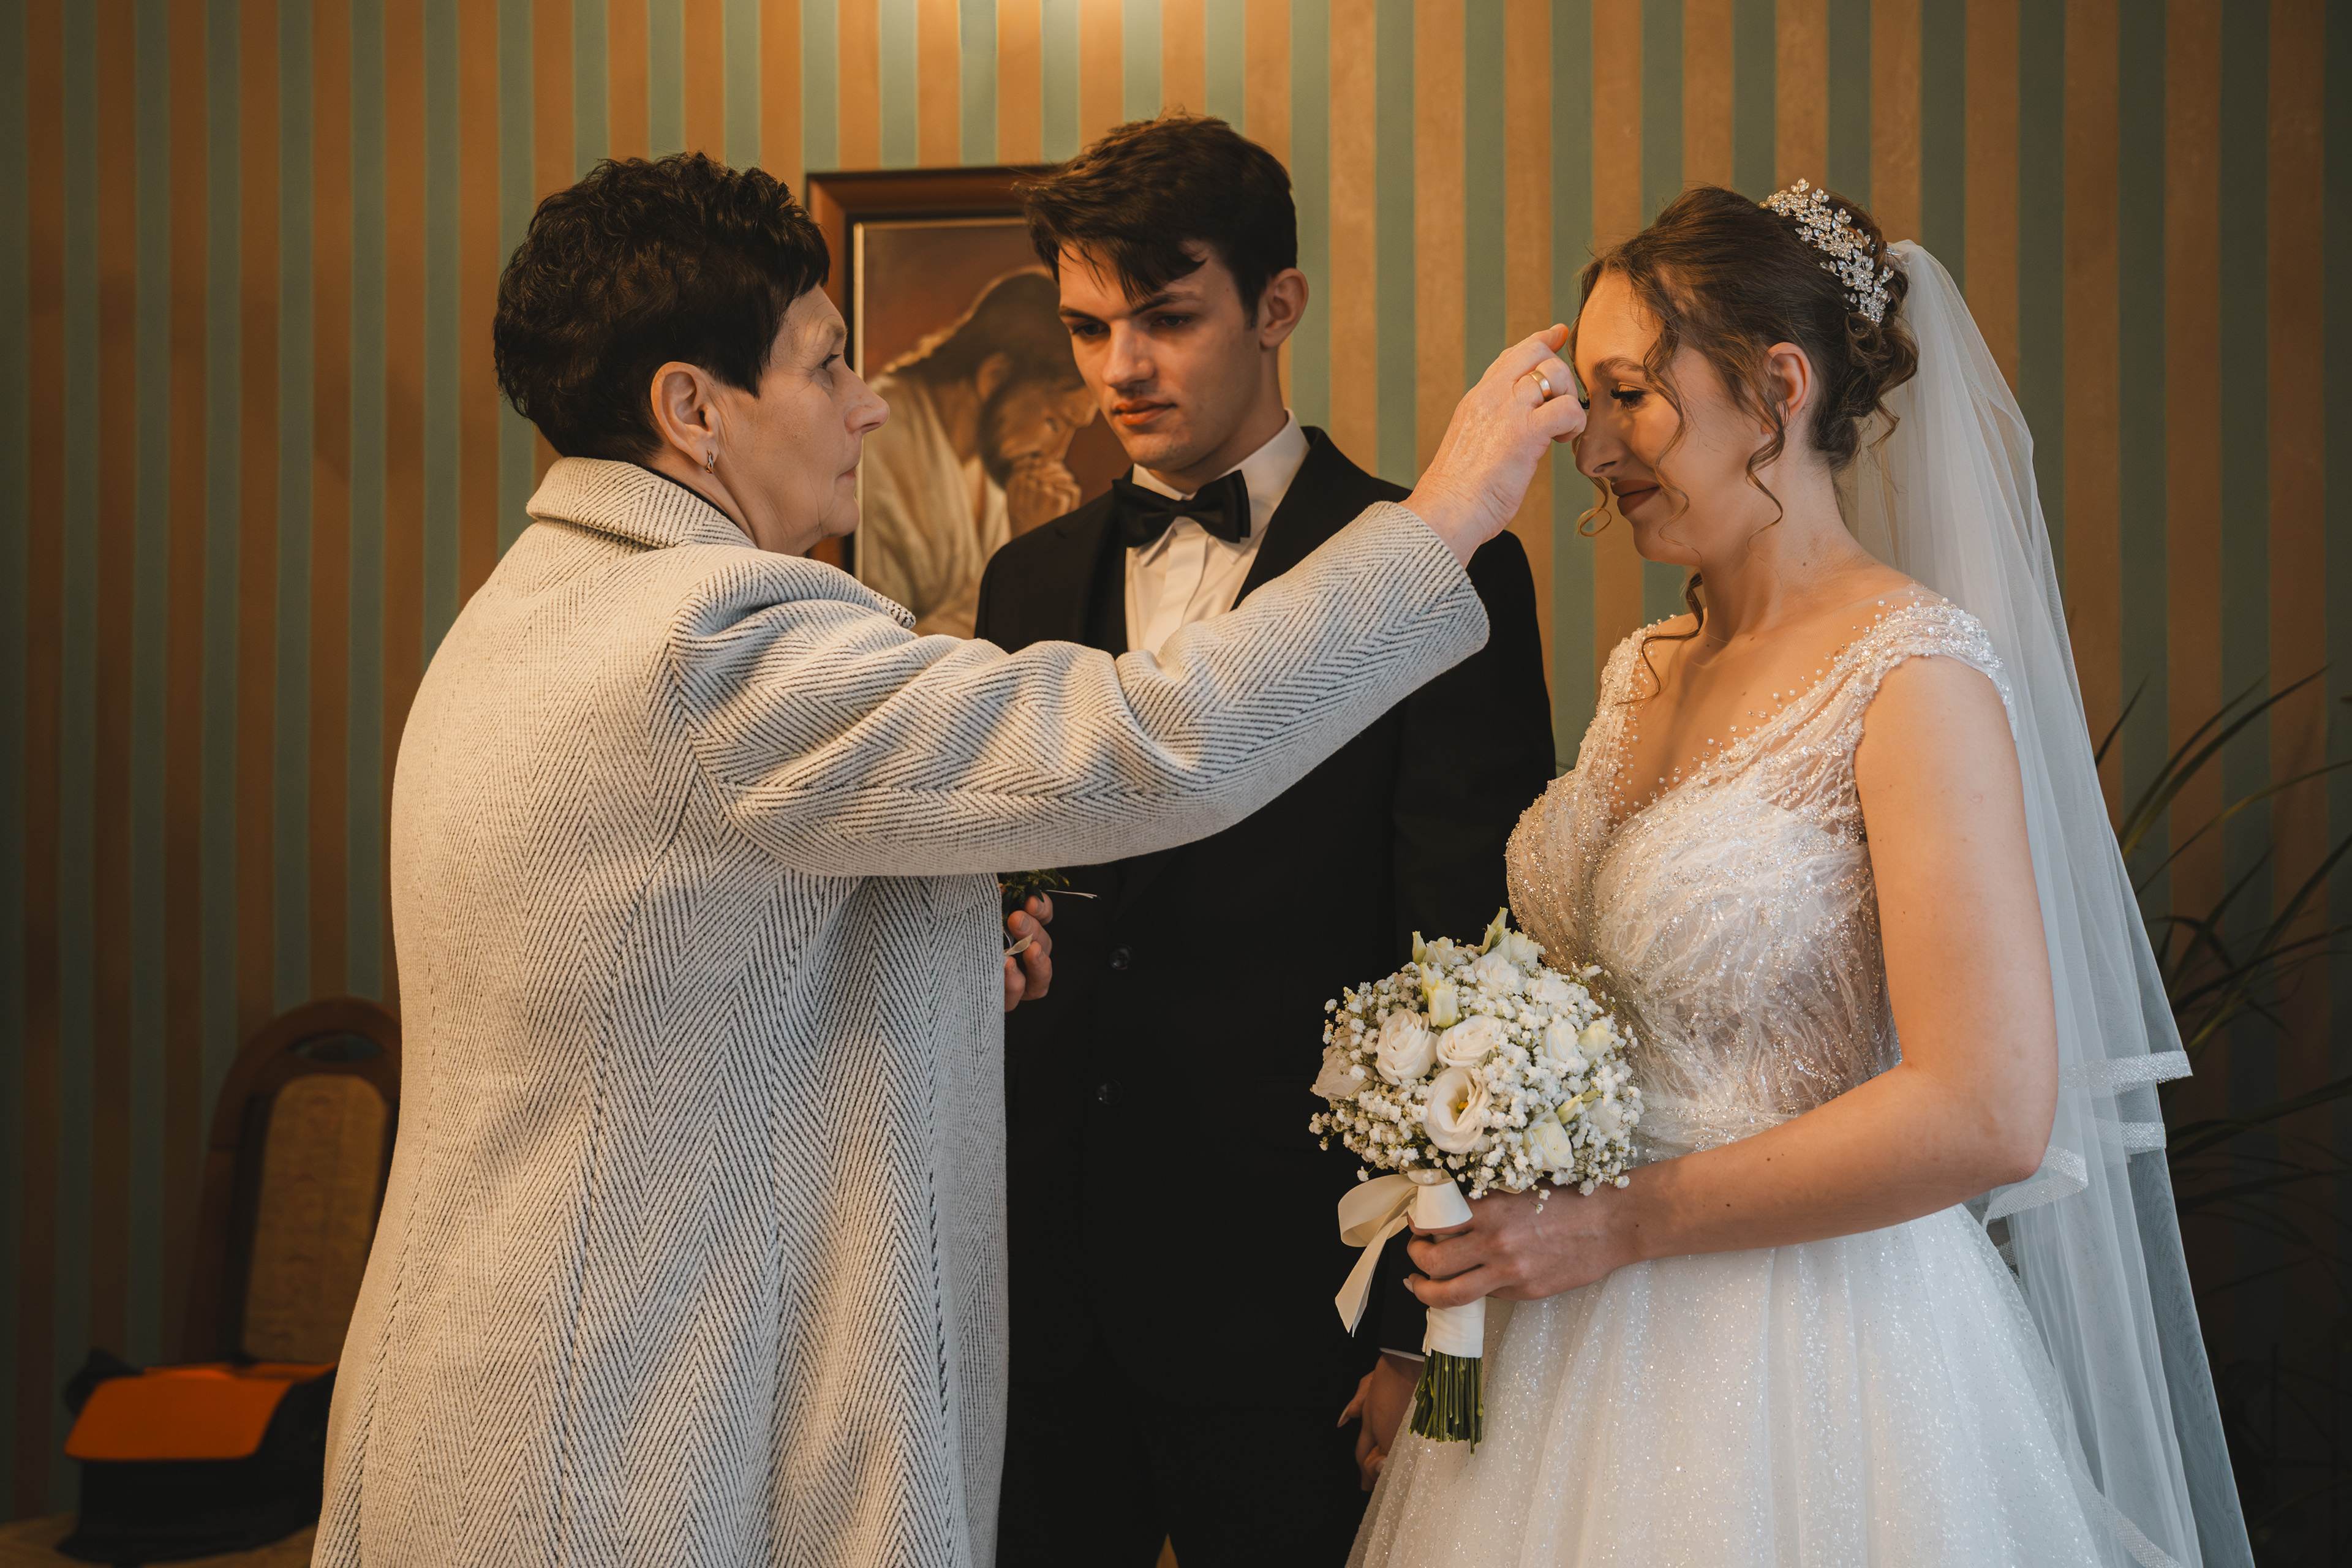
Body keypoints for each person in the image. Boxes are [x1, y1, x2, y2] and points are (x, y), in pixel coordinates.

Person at [311, 152, 1580, 1568]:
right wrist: (1441, 523)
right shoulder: (713, 636)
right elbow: (1144, 743)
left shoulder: (525, 608)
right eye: (825, 364)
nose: (868, 403)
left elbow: (665, 966)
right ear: (691, 409)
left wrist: (926, 961)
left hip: (509, 1383)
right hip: (619, 1431)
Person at [1348, 184, 2251, 1568]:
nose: (1591, 446)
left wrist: (1616, 1225)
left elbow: (1987, 1109)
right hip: (1559, 1340)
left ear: (1777, 387)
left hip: (1808, 1352)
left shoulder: (1914, 676)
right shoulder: (1643, 670)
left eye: (1628, 396)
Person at [973, 115, 1556, 1565]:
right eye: (1088, 327)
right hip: (1040, 1291)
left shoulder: (1447, 563)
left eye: (1166, 319)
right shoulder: (1025, 577)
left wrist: (1422, 1328)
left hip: (1302, 1294)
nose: (1119, 367)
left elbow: (1465, 955)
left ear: (1276, 305)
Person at [857, 270, 1101, 636]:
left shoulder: (993, 457)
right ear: (995, 377)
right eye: (1054, 422)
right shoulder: (878, 448)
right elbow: (882, 647)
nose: (1057, 454)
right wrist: (1026, 557)